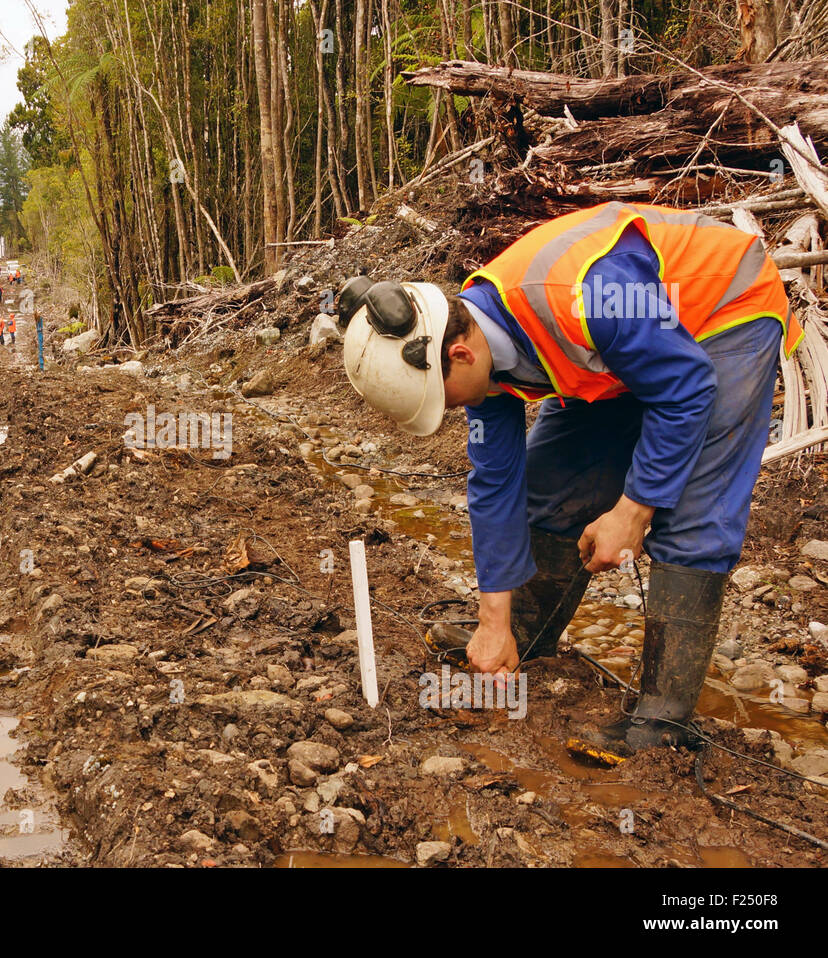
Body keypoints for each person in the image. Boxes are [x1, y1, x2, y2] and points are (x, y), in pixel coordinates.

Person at [339, 201, 802, 754]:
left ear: (460, 355)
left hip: (723, 311)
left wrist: (633, 510)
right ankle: (526, 632)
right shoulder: (479, 349)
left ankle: (663, 721)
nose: (455, 411)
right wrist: (493, 619)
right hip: (627, 350)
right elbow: (496, 484)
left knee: (690, 513)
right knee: (551, 484)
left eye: (446, 399)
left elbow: (684, 388)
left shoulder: (586, 296)